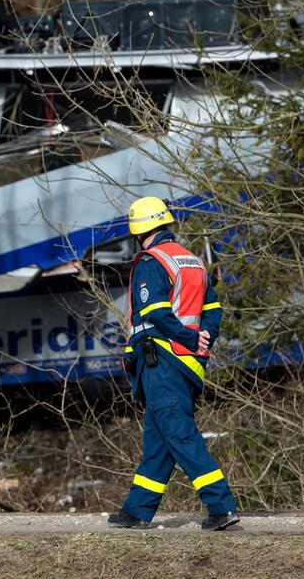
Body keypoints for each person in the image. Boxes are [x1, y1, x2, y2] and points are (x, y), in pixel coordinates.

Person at [108, 196, 240, 531]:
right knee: (158, 440)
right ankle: (137, 510)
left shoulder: (152, 262)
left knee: (179, 434)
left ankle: (221, 505)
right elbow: (214, 309)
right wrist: (203, 337)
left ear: (138, 229)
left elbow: (155, 314)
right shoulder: (192, 261)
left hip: (162, 360)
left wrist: (188, 337)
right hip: (188, 364)